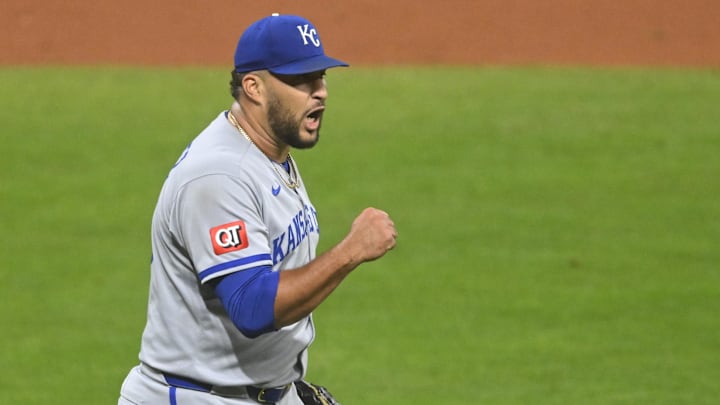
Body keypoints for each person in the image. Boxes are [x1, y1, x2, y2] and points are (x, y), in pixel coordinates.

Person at [118, 13, 398, 405]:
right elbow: (252, 306)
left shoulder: (269, 149)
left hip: (254, 391)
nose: (320, 92)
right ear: (254, 87)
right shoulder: (219, 175)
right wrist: (351, 250)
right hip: (200, 396)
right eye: (301, 80)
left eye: (321, 77)